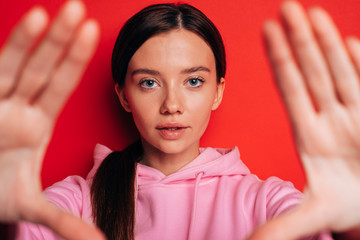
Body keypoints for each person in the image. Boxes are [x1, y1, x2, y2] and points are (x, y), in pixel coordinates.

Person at [0, 0, 360, 240]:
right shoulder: (76, 201)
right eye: (149, 82)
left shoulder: (266, 201)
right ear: (124, 95)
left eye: (193, 81)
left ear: (217, 91)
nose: (171, 104)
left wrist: (353, 226)